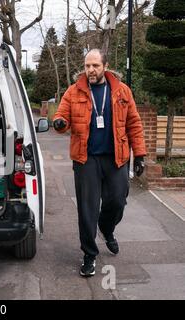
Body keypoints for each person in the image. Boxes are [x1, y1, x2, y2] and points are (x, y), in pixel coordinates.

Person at [53, 49, 146, 277]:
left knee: (117, 200)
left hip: (117, 158)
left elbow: (134, 123)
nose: (90, 70)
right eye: (87, 66)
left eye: (95, 65)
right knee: (87, 209)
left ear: (105, 65)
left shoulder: (122, 91)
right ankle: (89, 254)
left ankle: (107, 228)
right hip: (87, 159)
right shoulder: (74, 92)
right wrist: (60, 123)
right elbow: (61, 116)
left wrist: (140, 155)